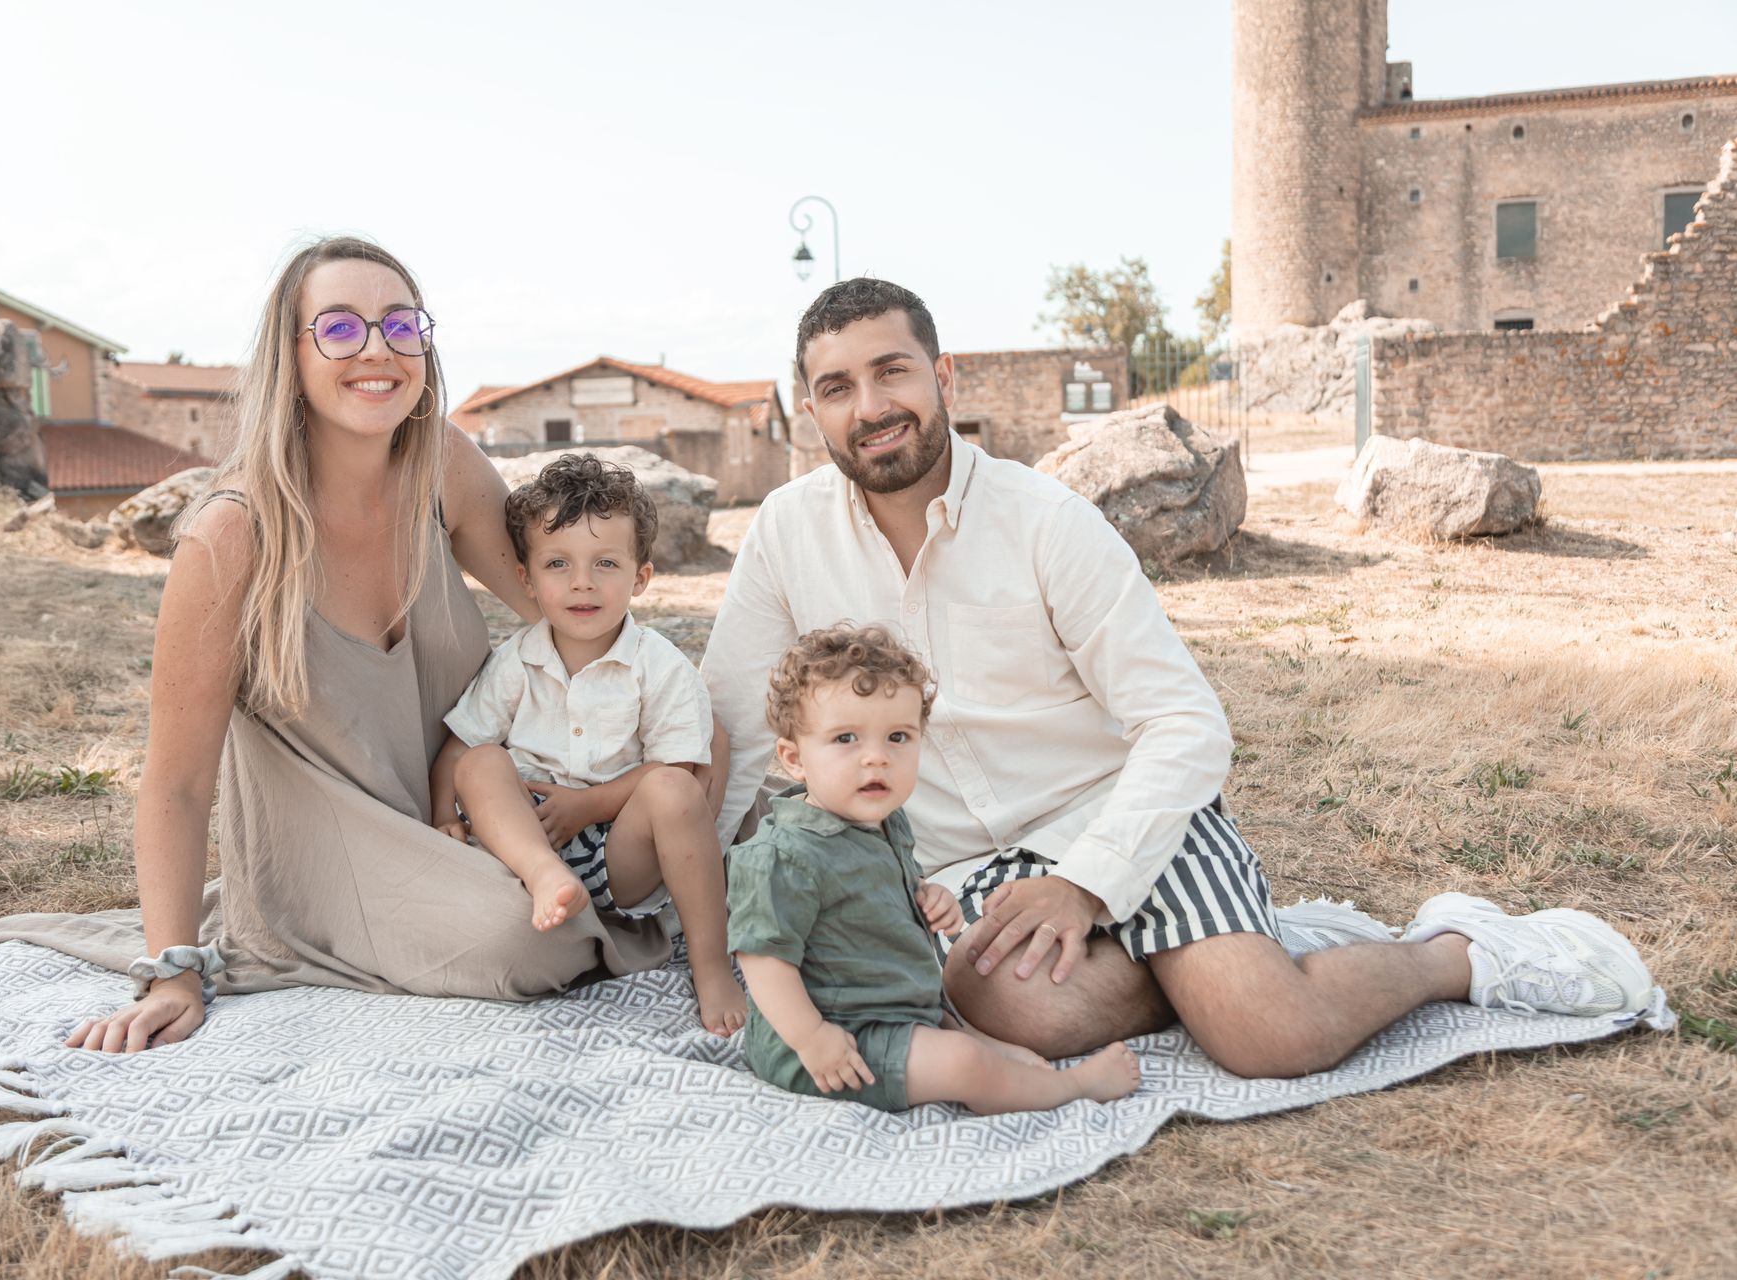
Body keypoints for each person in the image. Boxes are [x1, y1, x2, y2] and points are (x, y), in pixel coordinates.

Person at [700, 277, 1657, 1079]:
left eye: (890, 371)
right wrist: (692, 909)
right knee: (1013, 1009)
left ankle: (1451, 950)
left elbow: (1185, 725)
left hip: (1118, 814)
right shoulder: (787, 533)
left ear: (942, 376)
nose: (869, 408)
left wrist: (1088, 885)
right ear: (811, 408)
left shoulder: (1045, 520)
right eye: (835, 387)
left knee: (1272, 1038)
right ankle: (1228, 954)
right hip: (956, 867)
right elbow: (734, 727)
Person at [0, 236, 674, 1055]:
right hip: (326, 867)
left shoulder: (441, 465)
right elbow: (175, 782)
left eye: (401, 326)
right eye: (342, 330)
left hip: (464, 820)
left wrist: (624, 762)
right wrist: (172, 969)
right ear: (292, 353)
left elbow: (569, 606)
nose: (378, 351)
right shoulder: (230, 537)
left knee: (708, 813)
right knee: (520, 939)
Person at [727, 624, 1140, 1113]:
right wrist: (813, 1037)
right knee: (965, 1062)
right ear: (794, 759)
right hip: (833, 1040)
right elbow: (762, 959)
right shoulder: (782, 855)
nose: (876, 757)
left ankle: (981, 1053)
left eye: (898, 736)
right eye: (845, 739)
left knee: (966, 1040)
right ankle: (1073, 1088)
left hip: (897, 1010)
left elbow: (871, 893)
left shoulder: (883, 822)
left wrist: (926, 897)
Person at [428, 454, 747, 1035]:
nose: (582, 582)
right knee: (478, 760)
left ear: (640, 577)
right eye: (558, 564)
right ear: (526, 579)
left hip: (618, 855)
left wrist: (588, 806)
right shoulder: (515, 660)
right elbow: (457, 748)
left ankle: (709, 961)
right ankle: (546, 877)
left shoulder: (659, 665)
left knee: (674, 785)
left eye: (605, 563)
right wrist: (441, 816)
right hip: (526, 837)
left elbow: (679, 769)